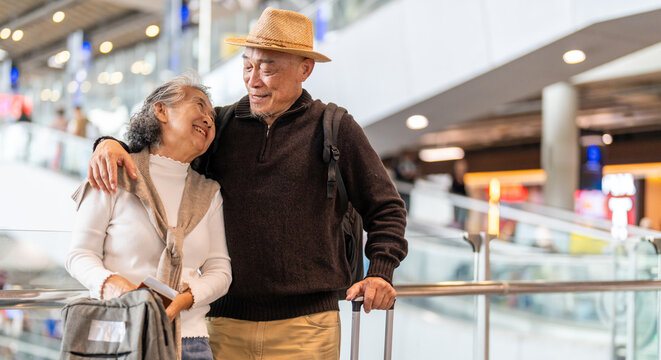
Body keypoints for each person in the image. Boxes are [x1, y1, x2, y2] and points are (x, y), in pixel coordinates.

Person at [88, 7, 407, 360]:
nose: (253, 79)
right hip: (221, 324)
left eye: (268, 68)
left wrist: (381, 271)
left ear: (305, 68)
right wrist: (109, 143)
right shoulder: (219, 126)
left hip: (307, 327)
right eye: (247, 66)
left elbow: (387, 208)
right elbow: (157, 154)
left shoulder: (334, 127)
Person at [66, 75, 232, 360]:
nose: (208, 118)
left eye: (212, 116)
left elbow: (221, 271)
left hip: (189, 343)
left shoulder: (209, 193)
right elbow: (79, 255)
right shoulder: (113, 174)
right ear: (161, 111)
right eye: (199, 105)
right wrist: (118, 287)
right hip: (117, 333)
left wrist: (183, 300)